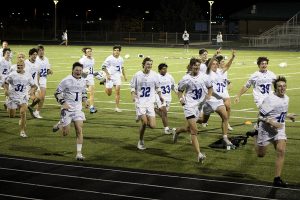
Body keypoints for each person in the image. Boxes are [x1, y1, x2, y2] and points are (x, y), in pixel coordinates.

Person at [256, 76, 296, 187]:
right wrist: (271, 122)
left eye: (284, 86)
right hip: (266, 130)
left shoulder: (286, 98)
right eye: (279, 86)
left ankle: (277, 179)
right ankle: (255, 134)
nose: (282, 88)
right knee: (261, 154)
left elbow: (279, 113)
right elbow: (259, 116)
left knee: (281, 150)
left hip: (280, 129)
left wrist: (288, 115)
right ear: (275, 88)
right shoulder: (270, 100)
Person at [172, 58, 213, 163]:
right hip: (189, 106)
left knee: (187, 128)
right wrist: (181, 99)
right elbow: (180, 91)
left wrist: (209, 95)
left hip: (199, 107)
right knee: (194, 131)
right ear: (191, 66)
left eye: (198, 66)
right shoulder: (186, 78)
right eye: (195, 65)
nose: (197, 67)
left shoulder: (204, 77)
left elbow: (210, 87)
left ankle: (176, 131)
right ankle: (199, 155)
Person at [52, 62, 89, 161]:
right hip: (67, 109)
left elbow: (84, 92)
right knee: (65, 133)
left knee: (79, 130)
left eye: (80, 70)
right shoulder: (66, 80)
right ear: (72, 70)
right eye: (76, 70)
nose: (78, 72)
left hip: (78, 110)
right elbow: (57, 92)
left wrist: (85, 101)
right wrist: (63, 102)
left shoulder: (83, 81)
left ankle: (79, 153)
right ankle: (60, 124)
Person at [234, 57, 276, 137]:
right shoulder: (255, 75)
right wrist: (238, 95)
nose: (264, 65)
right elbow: (246, 86)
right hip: (259, 99)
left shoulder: (272, 74)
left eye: (265, 64)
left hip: (269, 98)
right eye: (262, 64)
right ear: (259, 65)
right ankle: (262, 131)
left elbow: (276, 85)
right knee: (266, 113)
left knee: (264, 115)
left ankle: (257, 129)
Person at [130, 57, 163, 150]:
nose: (150, 66)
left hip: (150, 103)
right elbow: (132, 87)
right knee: (144, 122)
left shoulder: (154, 75)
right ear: (143, 64)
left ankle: (139, 116)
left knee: (152, 126)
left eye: (151, 64)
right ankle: (140, 141)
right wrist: (133, 95)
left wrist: (160, 96)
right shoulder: (137, 75)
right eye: (148, 64)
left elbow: (157, 87)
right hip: (140, 102)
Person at [2, 60, 37, 137]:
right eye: (18, 65)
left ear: (24, 66)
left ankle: (22, 131)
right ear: (16, 66)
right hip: (12, 96)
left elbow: (34, 86)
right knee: (12, 115)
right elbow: (5, 83)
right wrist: (6, 90)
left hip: (23, 97)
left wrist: (31, 92)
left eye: (21, 65)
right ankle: (21, 120)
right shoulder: (12, 74)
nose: (19, 67)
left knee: (23, 113)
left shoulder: (28, 75)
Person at [102, 45, 127, 112]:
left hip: (117, 76)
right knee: (109, 93)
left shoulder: (121, 59)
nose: (116, 51)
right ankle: (105, 83)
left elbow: (122, 67)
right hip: (110, 77)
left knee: (117, 92)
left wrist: (124, 76)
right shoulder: (109, 58)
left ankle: (117, 107)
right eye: (115, 50)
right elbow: (103, 67)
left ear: (119, 51)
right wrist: (107, 75)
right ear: (113, 51)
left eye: (118, 50)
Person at [154, 63, 178, 134]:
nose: (165, 70)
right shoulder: (156, 77)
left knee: (164, 114)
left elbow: (173, 85)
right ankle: (166, 129)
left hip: (168, 98)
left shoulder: (169, 76)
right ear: (159, 70)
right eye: (163, 69)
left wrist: (176, 92)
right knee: (164, 113)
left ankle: (153, 109)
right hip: (160, 98)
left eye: (166, 69)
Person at [34, 44, 53, 118]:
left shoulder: (46, 59)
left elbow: (47, 69)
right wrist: (36, 81)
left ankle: (37, 112)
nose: (41, 52)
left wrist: (49, 71)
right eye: (39, 50)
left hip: (44, 79)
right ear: (37, 52)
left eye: (42, 50)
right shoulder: (36, 59)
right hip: (36, 80)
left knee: (42, 97)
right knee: (37, 97)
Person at [79, 47, 97, 113]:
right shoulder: (82, 60)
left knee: (92, 93)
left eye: (90, 51)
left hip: (90, 77)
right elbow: (79, 70)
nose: (89, 52)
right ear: (85, 53)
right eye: (88, 51)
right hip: (83, 77)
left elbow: (91, 69)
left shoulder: (93, 59)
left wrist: (95, 74)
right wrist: (84, 76)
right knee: (81, 94)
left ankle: (92, 107)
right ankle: (79, 108)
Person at [25, 48, 41, 119]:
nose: (35, 56)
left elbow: (38, 74)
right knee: (25, 101)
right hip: (27, 85)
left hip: (35, 84)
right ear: (30, 55)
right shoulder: (25, 63)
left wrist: (38, 83)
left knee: (39, 98)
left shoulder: (37, 63)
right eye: (33, 54)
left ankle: (31, 107)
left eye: (36, 54)